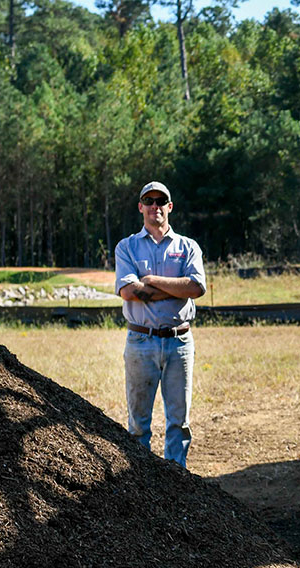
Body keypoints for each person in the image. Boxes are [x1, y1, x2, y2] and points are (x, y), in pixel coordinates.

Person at [114, 181, 207, 468]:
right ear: (141, 207)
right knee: (139, 422)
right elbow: (129, 292)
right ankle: (140, 479)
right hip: (141, 342)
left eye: (160, 201)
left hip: (179, 342)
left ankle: (176, 477)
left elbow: (196, 287)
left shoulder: (188, 246)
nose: (155, 206)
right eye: (149, 201)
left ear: (170, 206)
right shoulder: (126, 246)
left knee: (178, 421)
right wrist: (176, 288)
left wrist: (151, 281)